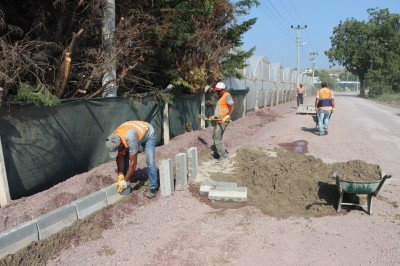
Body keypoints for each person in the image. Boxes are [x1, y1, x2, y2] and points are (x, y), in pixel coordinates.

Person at [105, 120, 158, 198]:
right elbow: (119, 156)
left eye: (118, 150)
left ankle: (153, 188)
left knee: (150, 161)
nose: (118, 152)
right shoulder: (113, 138)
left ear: (121, 144)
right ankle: (127, 177)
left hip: (148, 134)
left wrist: (125, 182)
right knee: (123, 153)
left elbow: (133, 163)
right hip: (133, 134)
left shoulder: (130, 137)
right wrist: (120, 174)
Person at [210, 82, 235, 160]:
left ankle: (224, 156)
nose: (217, 92)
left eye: (219, 90)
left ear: (223, 90)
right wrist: (215, 116)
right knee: (214, 136)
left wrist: (228, 116)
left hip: (223, 121)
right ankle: (217, 152)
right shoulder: (221, 97)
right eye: (216, 91)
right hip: (218, 120)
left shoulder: (227, 95)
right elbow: (221, 110)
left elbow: (233, 106)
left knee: (217, 138)